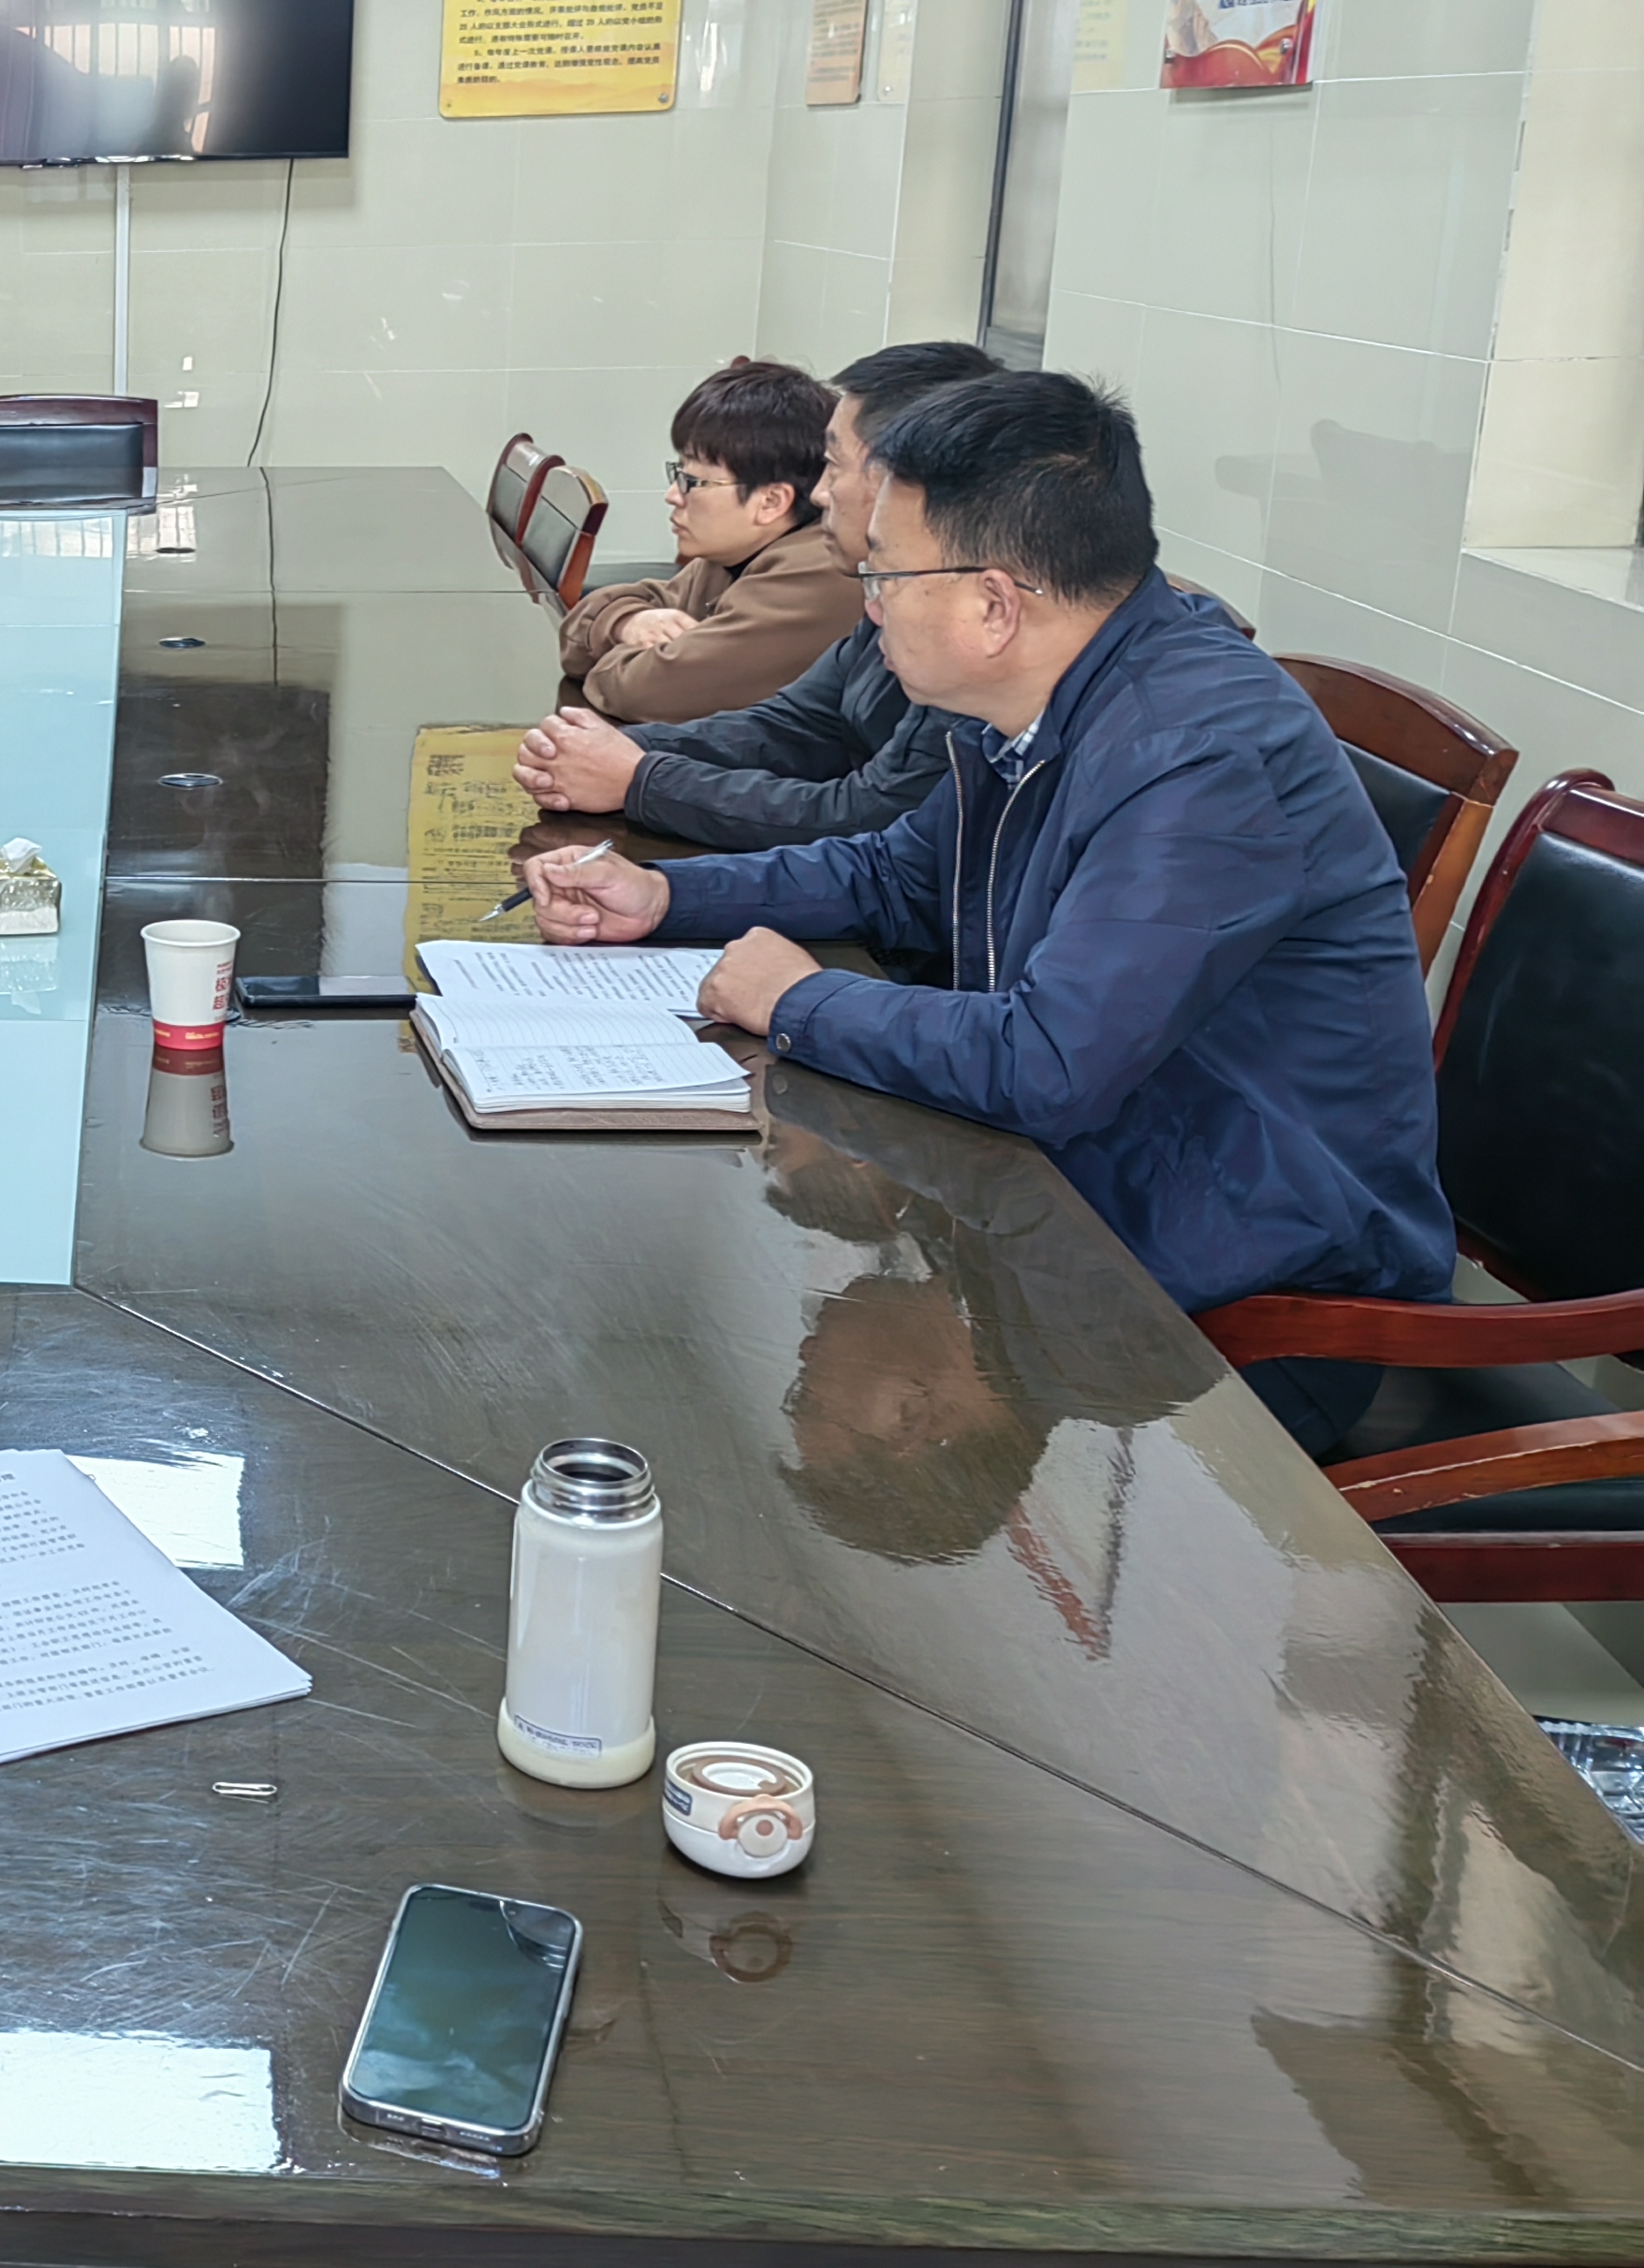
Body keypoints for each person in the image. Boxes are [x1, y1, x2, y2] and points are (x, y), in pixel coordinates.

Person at [526, 372, 1448, 1452]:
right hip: (1083, 1210)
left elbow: (1047, 1062)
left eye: (884, 574)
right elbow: (894, 876)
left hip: (1239, 1308)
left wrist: (799, 1001)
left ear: (995, 604)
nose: (868, 603)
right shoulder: (1037, 690)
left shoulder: (1195, 753)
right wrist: (665, 895)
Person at [518, 340, 1000, 848]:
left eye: (834, 466)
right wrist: (605, 749)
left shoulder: (946, 618)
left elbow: (870, 816)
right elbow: (796, 726)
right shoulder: (881, 586)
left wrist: (640, 778)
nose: (819, 493)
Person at [553, 357, 858, 722]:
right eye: (678, 472)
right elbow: (576, 635)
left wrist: (607, 651)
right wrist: (626, 623)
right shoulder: (732, 554)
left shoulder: (814, 577)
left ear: (771, 502)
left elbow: (646, 693)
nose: (672, 495)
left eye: (692, 482)